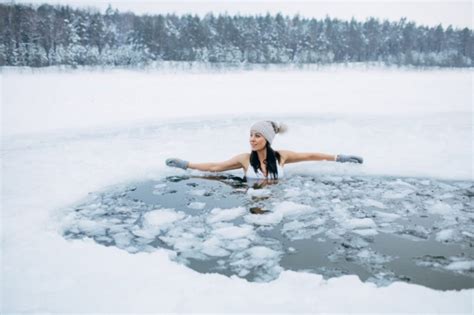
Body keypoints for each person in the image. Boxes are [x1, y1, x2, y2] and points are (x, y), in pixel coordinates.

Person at [165, 120, 363, 180]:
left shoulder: (280, 157)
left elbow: (309, 155)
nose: (252, 139)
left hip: (277, 202)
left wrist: (339, 157)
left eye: (257, 136)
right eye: (251, 135)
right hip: (251, 195)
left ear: (266, 139)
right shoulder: (244, 159)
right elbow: (216, 166)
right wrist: (186, 164)